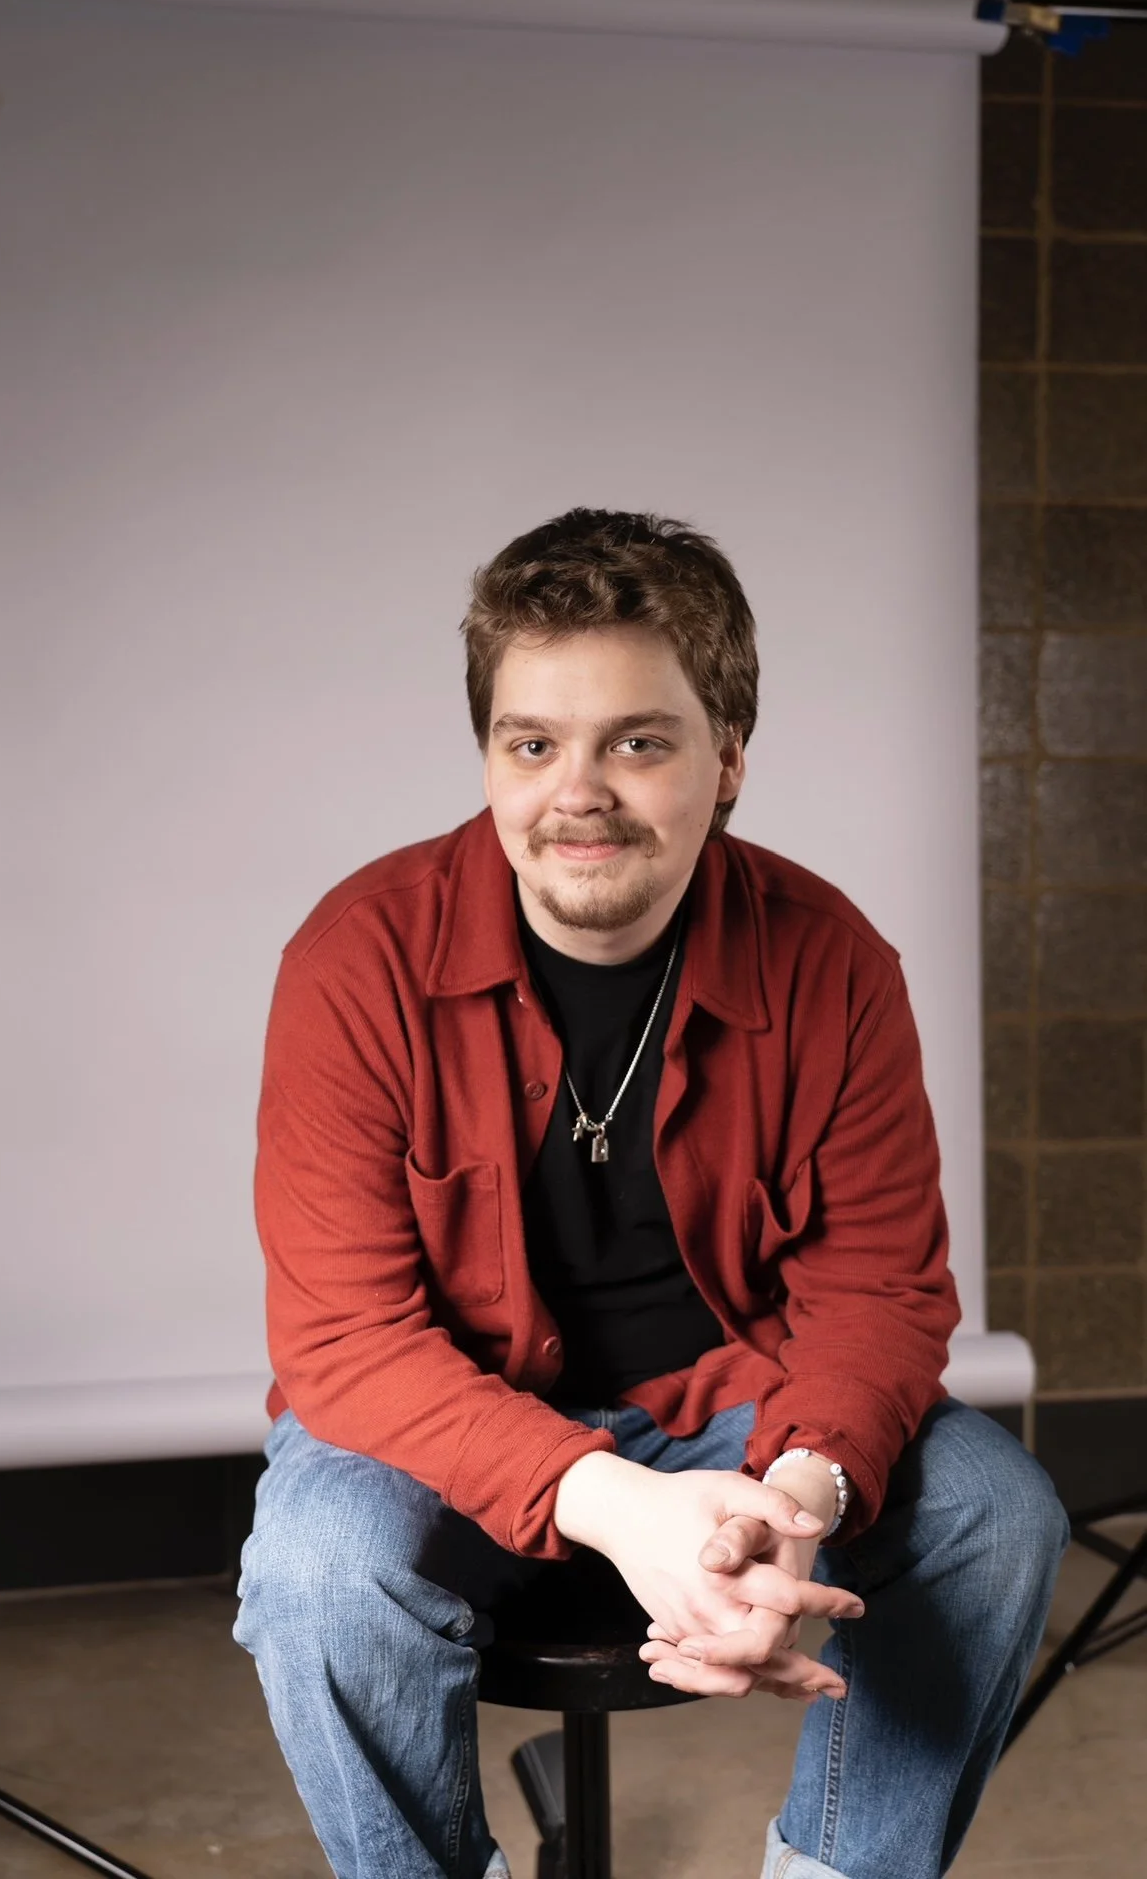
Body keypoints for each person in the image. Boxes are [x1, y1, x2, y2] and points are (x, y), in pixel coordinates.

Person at [233, 508, 1069, 1879]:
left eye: (636, 739)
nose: (579, 792)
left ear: (726, 757)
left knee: (998, 1512)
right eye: (532, 743)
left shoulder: (831, 958)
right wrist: (617, 1504)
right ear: (489, 758)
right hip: (443, 1417)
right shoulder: (354, 958)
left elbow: (878, 1286)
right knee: (322, 1571)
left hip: (729, 1406)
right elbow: (343, 1340)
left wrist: (788, 1498)